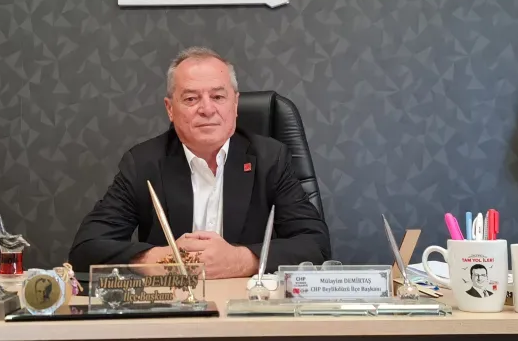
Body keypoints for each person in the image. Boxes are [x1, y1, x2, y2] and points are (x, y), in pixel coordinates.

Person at [69, 47, 331, 279]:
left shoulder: (270, 158)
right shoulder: (143, 163)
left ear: (235, 104)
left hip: (246, 306)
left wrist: (241, 260)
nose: (207, 109)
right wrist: (161, 259)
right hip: (173, 307)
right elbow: (86, 249)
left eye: (218, 97)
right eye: (191, 99)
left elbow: (315, 245)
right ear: (170, 109)